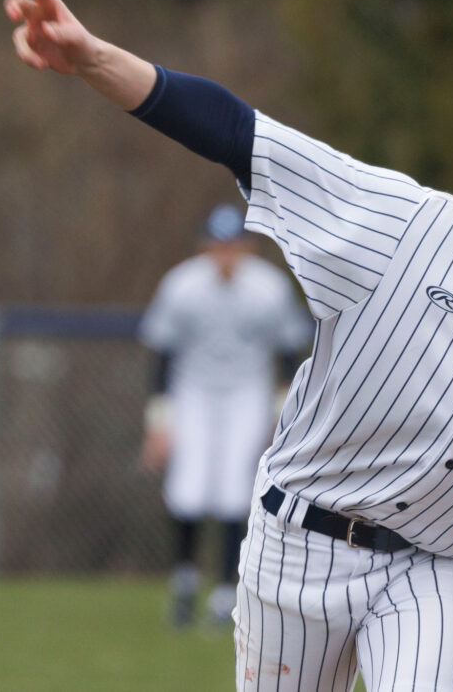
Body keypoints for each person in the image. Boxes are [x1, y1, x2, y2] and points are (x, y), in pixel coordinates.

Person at [5, 0, 453, 692]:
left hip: (440, 574)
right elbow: (238, 132)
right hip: (298, 540)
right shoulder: (400, 224)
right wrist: (92, 56)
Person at [137, 202, 313, 626]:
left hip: (246, 392)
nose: (225, 254)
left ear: (247, 248)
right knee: (189, 486)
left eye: (232, 245)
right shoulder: (181, 285)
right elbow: (160, 356)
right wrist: (158, 424)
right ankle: (183, 582)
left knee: (236, 488)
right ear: (204, 247)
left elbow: (289, 356)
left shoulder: (268, 287)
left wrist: (280, 418)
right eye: (218, 245)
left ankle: (222, 593)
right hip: (193, 391)